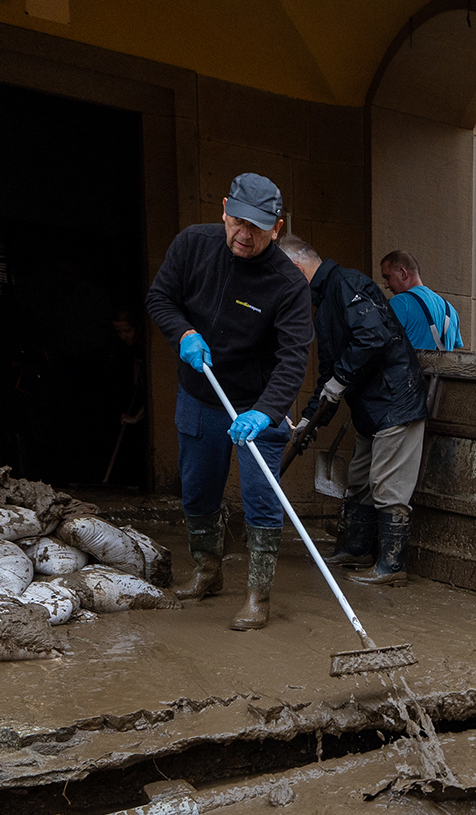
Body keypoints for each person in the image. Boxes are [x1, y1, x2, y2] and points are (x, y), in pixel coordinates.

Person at [144, 173, 312, 631]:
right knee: (198, 490)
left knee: (262, 497)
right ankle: (206, 571)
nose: (244, 234)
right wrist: (184, 333)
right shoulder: (192, 245)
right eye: (237, 221)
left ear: (276, 228)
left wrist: (266, 410)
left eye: (257, 228)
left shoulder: (288, 285)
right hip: (201, 392)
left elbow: (294, 357)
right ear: (223, 209)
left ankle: (258, 596)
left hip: (259, 404)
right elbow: (160, 298)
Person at [282, 235, 428, 587]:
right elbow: (329, 371)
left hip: (395, 402)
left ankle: (392, 567)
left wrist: (341, 378)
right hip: (370, 409)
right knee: (359, 481)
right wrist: (310, 417)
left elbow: (373, 336)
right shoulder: (325, 303)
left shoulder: (347, 283)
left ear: (296, 269)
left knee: (387, 486)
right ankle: (358, 549)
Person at [378, 251, 463, 351]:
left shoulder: (400, 302)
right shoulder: (451, 310)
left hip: (410, 366)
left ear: (403, 273)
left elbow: (382, 345)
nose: (386, 285)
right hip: (442, 367)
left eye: (388, 278)